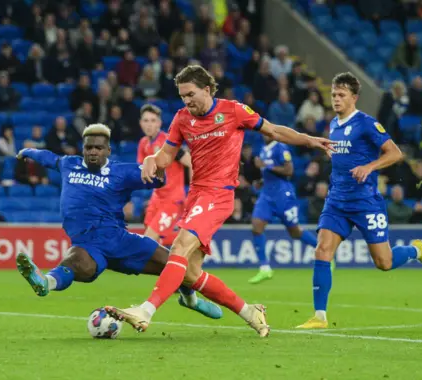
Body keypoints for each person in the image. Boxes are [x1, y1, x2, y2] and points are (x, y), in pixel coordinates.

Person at [105, 65, 334, 337]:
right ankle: (250, 312)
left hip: (219, 194)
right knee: (190, 273)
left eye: (190, 94)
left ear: (207, 89)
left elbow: (273, 131)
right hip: (196, 196)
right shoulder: (181, 119)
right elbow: (167, 156)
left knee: (179, 246)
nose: (186, 100)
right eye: (182, 96)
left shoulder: (234, 111)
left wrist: (309, 140)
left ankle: (146, 310)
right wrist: (153, 160)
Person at [14, 123, 222, 320]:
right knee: (76, 263)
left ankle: (190, 300)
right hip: (88, 244)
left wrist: (158, 171)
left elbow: (157, 179)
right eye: (89, 147)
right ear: (83, 149)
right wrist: (28, 152)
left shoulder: (122, 172)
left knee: (176, 265)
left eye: (98, 147)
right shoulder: (70, 164)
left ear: (108, 151)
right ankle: (45, 282)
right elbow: (48, 157)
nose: (93, 151)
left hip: (120, 241)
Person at [296, 72, 422, 329]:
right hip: (337, 202)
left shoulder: (366, 123)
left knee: (383, 262)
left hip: (366, 202)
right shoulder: (334, 125)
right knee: (322, 250)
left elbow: (395, 153)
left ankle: (417, 250)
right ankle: (319, 316)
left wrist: (369, 167)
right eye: (333, 95)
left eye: (341, 95)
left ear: (354, 97)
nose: (336, 99)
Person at [248, 134, 318, 284]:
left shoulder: (280, 147)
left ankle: (323, 251)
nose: (265, 135)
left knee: (295, 232)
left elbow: (289, 170)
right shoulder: (262, 149)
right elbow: (268, 173)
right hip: (267, 194)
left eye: (267, 132)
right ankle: (265, 268)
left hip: (283, 196)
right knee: (256, 227)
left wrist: (266, 166)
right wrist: (261, 181)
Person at [137, 104, 192, 247]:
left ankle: (180, 260)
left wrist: (194, 190)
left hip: (172, 200)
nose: (149, 124)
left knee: (148, 239)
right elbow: (141, 170)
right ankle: (173, 265)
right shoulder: (143, 143)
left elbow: (191, 162)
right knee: (153, 240)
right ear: (140, 123)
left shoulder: (168, 142)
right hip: (156, 197)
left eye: (153, 120)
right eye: (146, 120)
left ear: (159, 123)